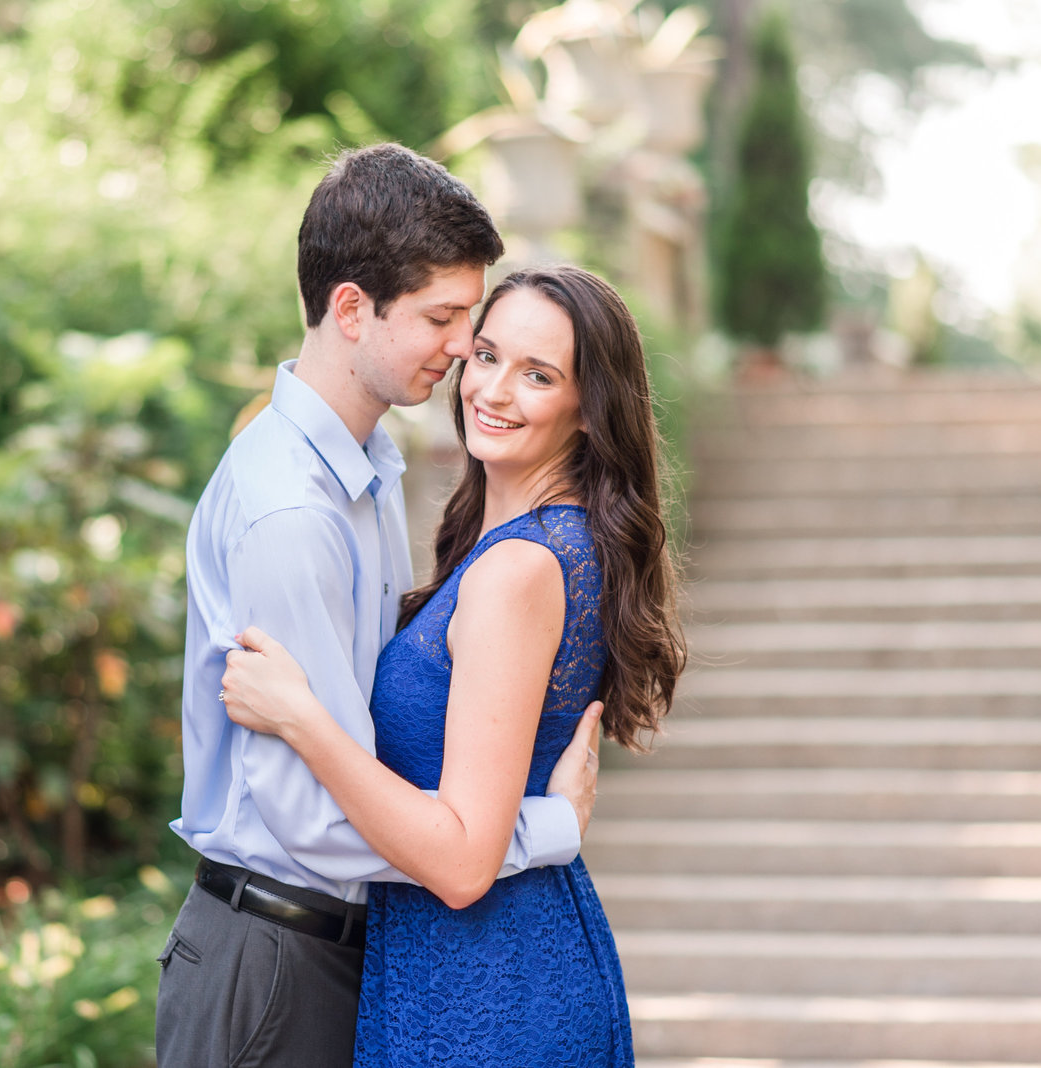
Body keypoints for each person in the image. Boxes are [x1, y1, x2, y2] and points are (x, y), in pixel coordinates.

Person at [154, 145, 605, 1068]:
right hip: (273, 959)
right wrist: (538, 830)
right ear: (351, 309)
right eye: (445, 320)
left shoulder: (368, 476)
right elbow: (309, 819)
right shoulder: (294, 513)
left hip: (339, 955)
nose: (460, 353)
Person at [220, 264, 686, 1065]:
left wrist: (302, 717)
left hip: (487, 984)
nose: (495, 391)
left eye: (538, 375)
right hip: (472, 962)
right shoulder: (527, 547)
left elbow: (465, 861)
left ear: (587, 410)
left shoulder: (519, 570)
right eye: (488, 356)